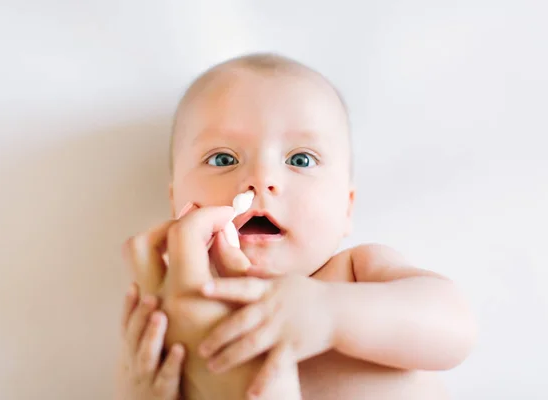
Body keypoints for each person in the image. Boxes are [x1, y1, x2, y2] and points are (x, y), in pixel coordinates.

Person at [116, 53, 478, 400]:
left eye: (300, 159)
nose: (260, 179)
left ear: (346, 208)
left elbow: (455, 327)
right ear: (175, 201)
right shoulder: (176, 320)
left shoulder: (353, 275)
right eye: (223, 158)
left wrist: (331, 313)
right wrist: (147, 391)